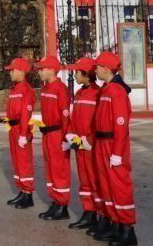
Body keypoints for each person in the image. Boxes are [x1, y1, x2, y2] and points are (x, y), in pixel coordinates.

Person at [90, 52, 137, 246]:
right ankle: (115, 223)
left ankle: (127, 229)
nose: (95, 70)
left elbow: (120, 124)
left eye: (97, 66)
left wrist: (117, 152)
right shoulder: (106, 89)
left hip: (112, 144)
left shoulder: (116, 91)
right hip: (102, 143)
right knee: (106, 185)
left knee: (119, 186)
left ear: (106, 69)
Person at [64, 57, 102, 231]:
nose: (75, 75)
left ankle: (100, 214)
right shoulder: (79, 93)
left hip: (91, 146)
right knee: (84, 180)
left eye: (77, 72)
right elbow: (74, 117)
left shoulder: (98, 93)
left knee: (94, 180)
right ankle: (88, 212)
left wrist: (89, 140)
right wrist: (71, 135)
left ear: (86, 74)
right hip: (80, 145)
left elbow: (99, 122)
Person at [34, 55, 71, 221]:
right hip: (47, 134)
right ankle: (55, 201)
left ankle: (62, 205)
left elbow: (65, 116)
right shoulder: (46, 89)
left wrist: (65, 138)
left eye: (42, 69)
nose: (39, 72)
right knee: (50, 168)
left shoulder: (60, 89)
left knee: (58, 169)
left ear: (51, 70)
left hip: (57, 134)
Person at [2, 57, 36, 209]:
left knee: (24, 162)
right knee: (16, 161)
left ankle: (28, 194)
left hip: (21, 130)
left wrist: (23, 134)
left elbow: (25, 114)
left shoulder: (26, 90)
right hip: (14, 129)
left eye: (12, 70)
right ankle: (22, 190)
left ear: (22, 72)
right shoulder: (14, 89)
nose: (10, 73)